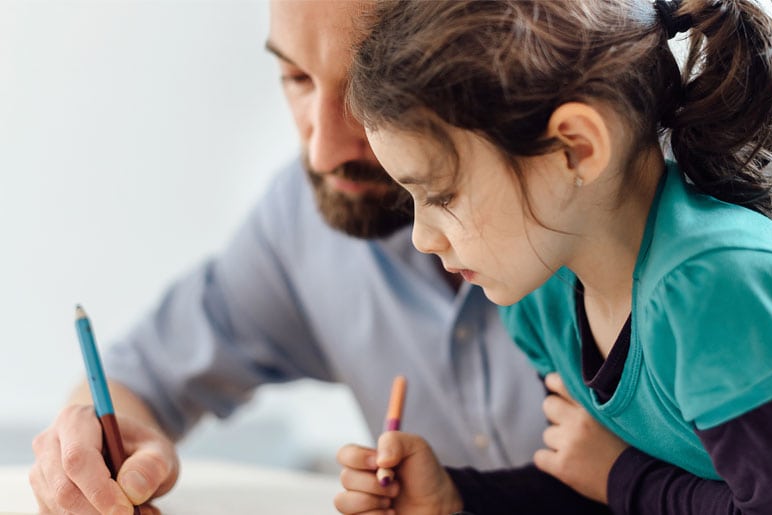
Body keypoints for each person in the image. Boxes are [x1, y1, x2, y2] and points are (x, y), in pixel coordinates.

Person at [27, 1, 580, 514]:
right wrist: (91, 452)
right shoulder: (305, 219)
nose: (323, 151)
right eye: (296, 77)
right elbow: (139, 376)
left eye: (370, 90)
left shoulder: (623, 222)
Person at [336, 1, 772, 514]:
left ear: (574, 149)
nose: (423, 237)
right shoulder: (541, 298)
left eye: (442, 195)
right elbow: (592, 481)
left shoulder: (716, 291)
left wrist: (621, 477)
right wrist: (455, 498)